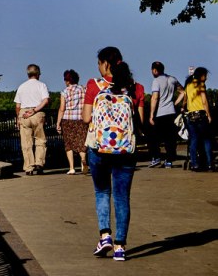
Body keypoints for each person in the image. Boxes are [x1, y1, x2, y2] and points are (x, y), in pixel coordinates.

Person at [83, 46, 144, 261]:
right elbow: (140, 122)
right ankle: (120, 247)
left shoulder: (93, 85)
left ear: (105, 64)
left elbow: (86, 118)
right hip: (126, 150)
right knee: (122, 196)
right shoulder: (135, 88)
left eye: (99, 63)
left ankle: (105, 235)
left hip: (99, 148)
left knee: (102, 192)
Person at [14, 64, 50, 175]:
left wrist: (18, 118)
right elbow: (46, 100)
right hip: (37, 114)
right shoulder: (41, 85)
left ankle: (29, 167)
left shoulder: (21, 86)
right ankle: (39, 163)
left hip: (24, 113)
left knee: (26, 143)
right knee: (40, 139)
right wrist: (35, 110)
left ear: (28, 74)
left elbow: (17, 106)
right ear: (38, 73)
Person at [148, 61, 185, 168]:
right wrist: (175, 103)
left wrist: (151, 114)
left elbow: (155, 97)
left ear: (154, 70)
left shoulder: (156, 81)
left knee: (154, 137)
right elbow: (183, 92)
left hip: (160, 113)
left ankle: (156, 157)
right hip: (171, 111)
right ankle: (169, 160)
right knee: (170, 138)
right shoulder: (172, 79)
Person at [56, 69, 87, 175]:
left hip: (68, 119)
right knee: (82, 142)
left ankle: (72, 168)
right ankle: (83, 162)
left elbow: (62, 108)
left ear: (67, 80)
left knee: (68, 144)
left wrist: (58, 122)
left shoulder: (65, 92)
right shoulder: (83, 89)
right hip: (81, 119)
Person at [183, 67, 212, 172]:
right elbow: (204, 101)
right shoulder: (201, 85)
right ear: (201, 75)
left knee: (194, 140)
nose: (206, 77)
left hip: (190, 116)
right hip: (201, 115)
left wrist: (183, 107)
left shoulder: (188, 85)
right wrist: (208, 115)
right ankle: (209, 163)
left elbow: (185, 100)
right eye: (205, 75)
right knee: (206, 140)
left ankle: (194, 163)